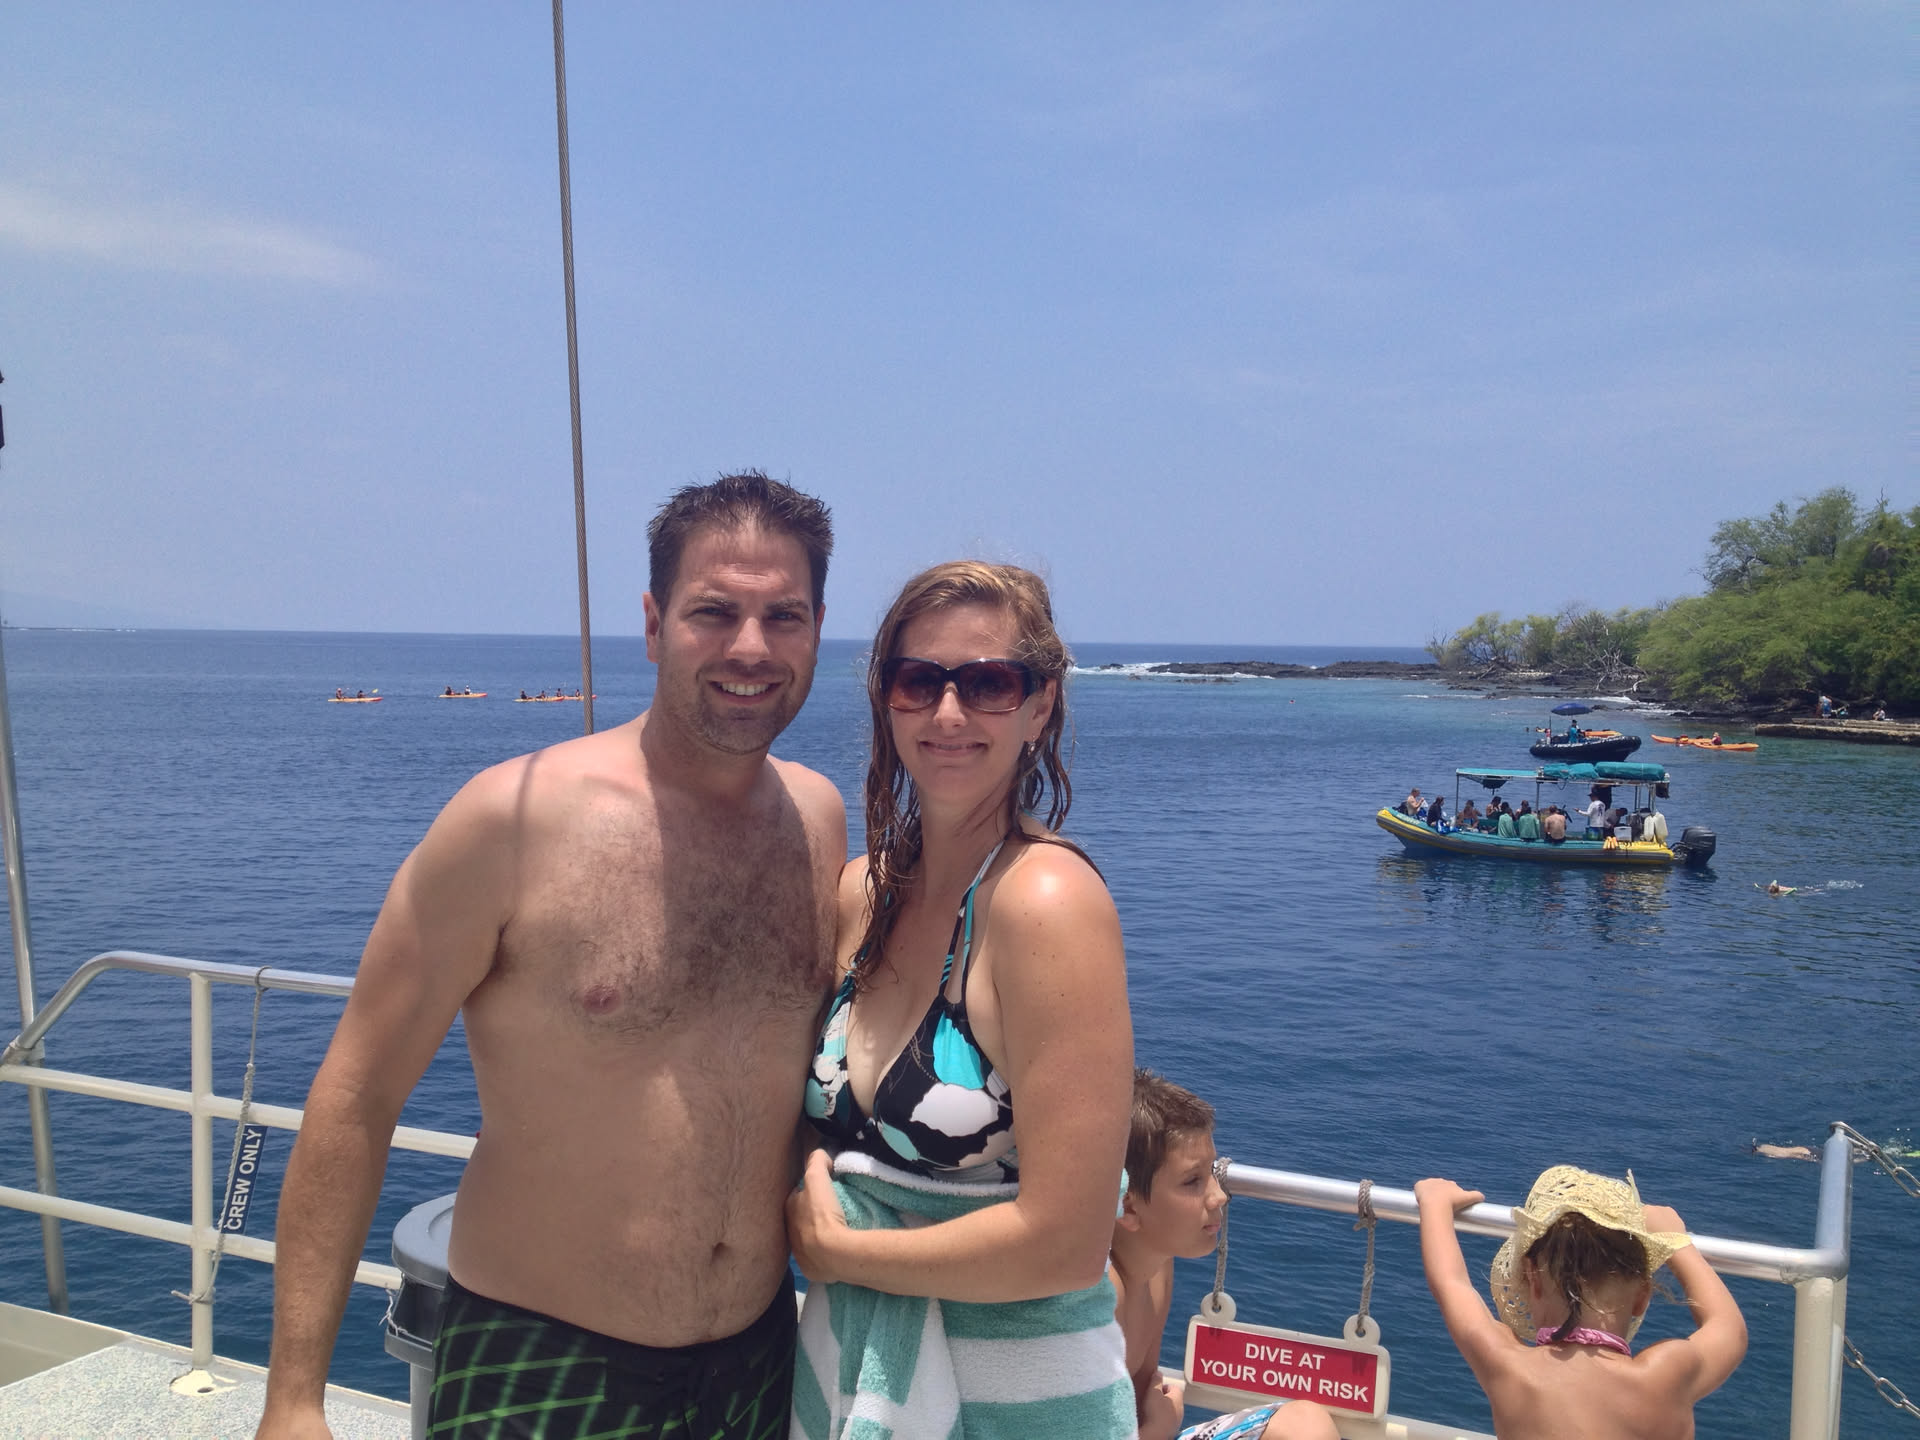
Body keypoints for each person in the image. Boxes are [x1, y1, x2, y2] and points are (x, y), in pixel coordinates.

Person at [257, 474, 844, 1440]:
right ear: (653, 625)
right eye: (713, 612)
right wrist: (293, 1400)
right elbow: (358, 1094)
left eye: (783, 615)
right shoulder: (510, 821)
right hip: (543, 1353)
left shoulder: (818, 820)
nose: (751, 647)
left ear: (818, 628)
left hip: (757, 1354)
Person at [788, 561, 1136, 1439]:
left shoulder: (1047, 903)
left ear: (1039, 706)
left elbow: (1068, 1243)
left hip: (1024, 1406)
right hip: (857, 1376)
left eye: (986, 684)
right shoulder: (862, 894)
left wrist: (842, 1252)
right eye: (919, 681)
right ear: (887, 700)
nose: (948, 713)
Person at [1415, 1167, 1746, 1440]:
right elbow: (1728, 1328)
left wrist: (1435, 1204)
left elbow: (1450, 1284)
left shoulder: (1508, 1366)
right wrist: (1678, 1243)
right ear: (1642, 1296)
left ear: (1532, 1280)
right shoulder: (1667, 1373)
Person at [1112, 1071, 1340, 1440]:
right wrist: (1163, 1427)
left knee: (1305, 1424)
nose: (1219, 1196)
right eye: (1192, 1181)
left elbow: (1143, 1396)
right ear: (1129, 1207)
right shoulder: (1102, 1295)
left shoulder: (1157, 1263)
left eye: (1211, 1173)